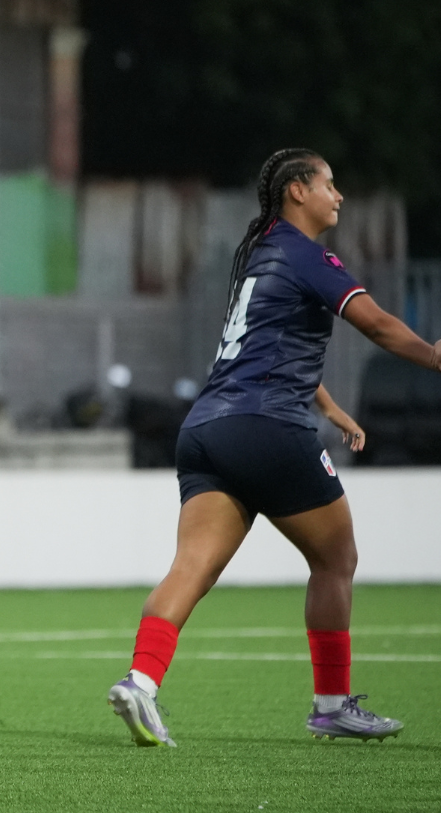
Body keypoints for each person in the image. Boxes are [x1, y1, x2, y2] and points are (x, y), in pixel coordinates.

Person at [106, 148, 441, 747]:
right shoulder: (310, 256)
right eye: (328, 184)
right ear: (296, 191)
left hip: (206, 429)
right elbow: (377, 323)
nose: (338, 196)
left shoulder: (260, 257)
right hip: (266, 428)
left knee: (192, 567)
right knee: (336, 560)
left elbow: (267, 349)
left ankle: (140, 683)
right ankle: (333, 705)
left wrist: (333, 409)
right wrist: (435, 356)